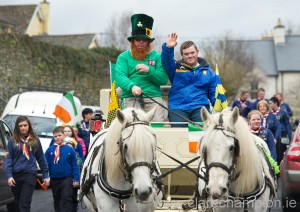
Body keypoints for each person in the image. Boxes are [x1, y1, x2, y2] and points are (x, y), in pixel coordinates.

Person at [115, 13, 169, 122]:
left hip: (153, 97)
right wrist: (132, 86)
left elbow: (163, 79)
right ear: (132, 41)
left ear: (149, 42)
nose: (141, 42)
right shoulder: (123, 57)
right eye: (137, 39)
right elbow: (120, 77)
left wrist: (149, 70)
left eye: (144, 40)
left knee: (157, 126)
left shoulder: (157, 57)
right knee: (134, 126)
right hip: (131, 96)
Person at [161, 33, 216, 126]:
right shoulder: (175, 68)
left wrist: (222, 110)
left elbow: (214, 94)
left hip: (200, 107)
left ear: (197, 52)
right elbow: (166, 60)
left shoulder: (209, 72)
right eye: (186, 54)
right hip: (178, 107)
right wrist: (168, 48)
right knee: (180, 132)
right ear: (182, 55)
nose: (190, 56)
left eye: (192, 53)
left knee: (202, 129)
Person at [4, 116, 50, 212]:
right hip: (15, 175)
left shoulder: (34, 140)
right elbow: (8, 159)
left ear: (29, 126)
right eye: (20, 126)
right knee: (17, 204)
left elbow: (41, 158)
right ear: (17, 127)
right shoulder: (12, 140)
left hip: (29, 175)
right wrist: (9, 176)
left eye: (25, 125)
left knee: (24, 204)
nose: (23, 128)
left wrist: (45, 175)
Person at [45, 126, 80, 212]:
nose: (57, 138)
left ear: (64, 135)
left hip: (67, 178)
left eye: (59, 135)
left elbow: (75, 165)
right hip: (54, 179)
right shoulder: (49, 150)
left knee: (66, 199)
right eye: (55, 136)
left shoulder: (70, 149)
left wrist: (76, 178)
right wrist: (46, 176)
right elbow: (45, 165)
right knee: (57, 200)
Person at [269, 97, 292, 164]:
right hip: (273, 135)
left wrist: (289, 135)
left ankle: (280, 167)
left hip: (282, 135)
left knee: (281, 152)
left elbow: (287, 124)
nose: (269, 105)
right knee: (273, 151)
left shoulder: (283, 112)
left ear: (275, 103)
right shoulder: (270, 114)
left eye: (270, 103)